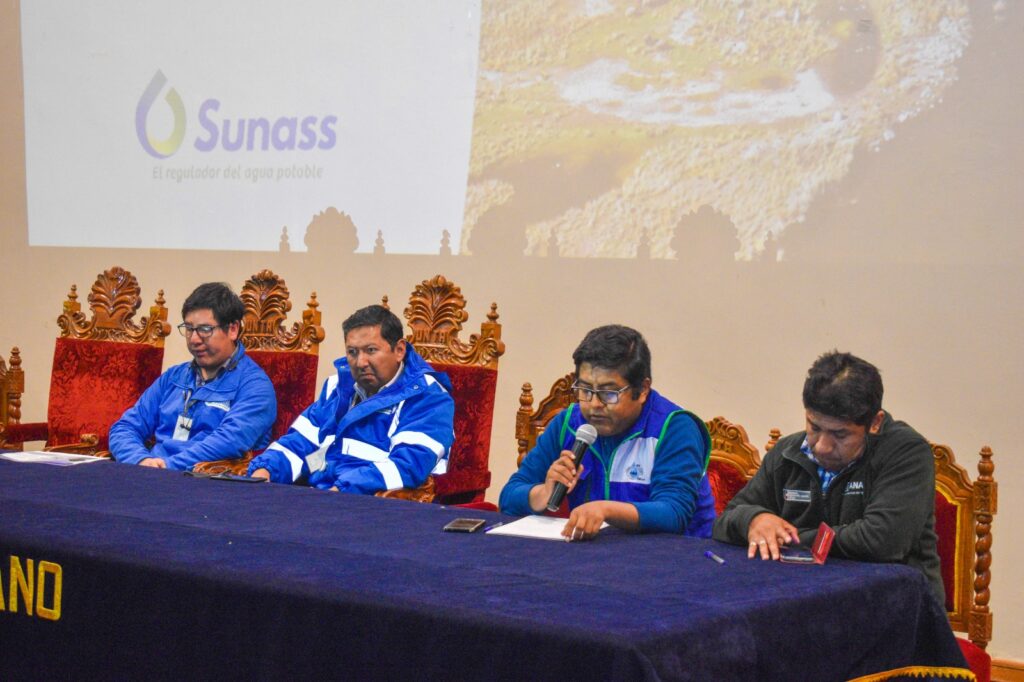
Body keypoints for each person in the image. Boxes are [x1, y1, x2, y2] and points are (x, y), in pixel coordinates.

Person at [712, 351, 944, 604]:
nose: (822, 446)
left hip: (892, 605)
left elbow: (882, 541)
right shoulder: (787, 452)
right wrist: (754, 520)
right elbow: (725, 522)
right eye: (814, 427)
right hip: (803, 601)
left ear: (875, 423)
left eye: (840, 435)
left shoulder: (906, 452)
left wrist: (788, 538)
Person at [500, 325, 716, 540]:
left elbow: (674, 514)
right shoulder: (568, 424)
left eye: (609, 393)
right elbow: (508, 496)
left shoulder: (675, 428)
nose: (594, 404)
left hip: (677, 554)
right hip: (596, 553)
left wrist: (605, 510)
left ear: (642, 390)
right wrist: (543, 493)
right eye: (585, 390)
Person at [247, 304, 455, 494]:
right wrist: (265, 471)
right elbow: (301, 442)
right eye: (352, 352)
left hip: (372, 506)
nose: (360, 362)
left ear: (399, 350)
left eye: (371, 350)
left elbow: (407, 465)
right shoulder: (338, 387)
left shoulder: (427, 396)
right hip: (320, 495)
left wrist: (341, 490)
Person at [109, 282, 276, 471]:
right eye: (189, 328)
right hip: (151, 472)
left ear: (232, 329)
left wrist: (166, 467)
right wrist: (140, 460)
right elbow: (124, 428)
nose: (194, 339)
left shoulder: (255, 387)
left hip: (203, 480)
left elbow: (226, 443)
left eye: (205, 329)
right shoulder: (173, 377)